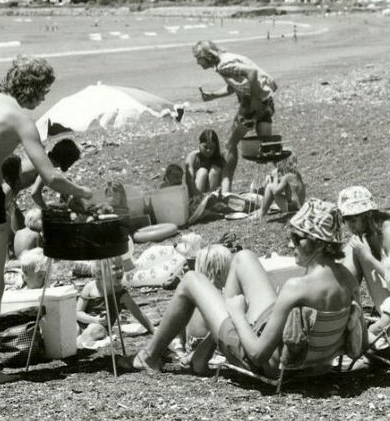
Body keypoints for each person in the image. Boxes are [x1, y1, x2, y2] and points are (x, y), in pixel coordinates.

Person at [0, 55, 92, 387]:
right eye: (42, 93)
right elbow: (50, 176)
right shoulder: (20, 119)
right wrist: (83, 192)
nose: (42, 100)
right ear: (32, 88)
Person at [128, 199, 361, 378]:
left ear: (318, 244)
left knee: (191, 279)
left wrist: (237, 314)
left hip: (273, 365)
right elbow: (354, 341)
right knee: (243, 257)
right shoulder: (347, 280)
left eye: (297, 237)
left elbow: (259, 355)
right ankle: (204, 352)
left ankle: (148, 357)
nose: (290, 243)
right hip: (311, 364)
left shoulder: (297, 288)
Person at [192, 40, 278, 194]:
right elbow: (236, 85)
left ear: (207, 55)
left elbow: (252, 73)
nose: (197, 62)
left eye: (198, 57)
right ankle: (287, 179)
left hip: (252, 105)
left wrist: (252, 101)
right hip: (266, 101)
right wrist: (213, 95)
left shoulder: (223, 65)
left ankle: (226, 190)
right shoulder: (228, 57)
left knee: (230, 145)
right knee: (267, 147)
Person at [76, 256, 155, 346]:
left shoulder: (120, 293)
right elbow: (78, 313)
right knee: (73, 329)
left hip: (100, 327)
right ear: (100, 272)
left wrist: (153, 330)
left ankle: (75, 346)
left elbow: (139, 314)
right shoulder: (90, 287)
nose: (120, 271)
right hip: (83, 322)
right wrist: (94, 319)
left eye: (121, 267)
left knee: (94, 330)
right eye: (115, 268)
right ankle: (71, 346)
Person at [258, 151, 306, 217]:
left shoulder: (287, 177)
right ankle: (262, 208)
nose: (276, 166)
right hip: (299, 206)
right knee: (270, 185)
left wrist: (275, 177)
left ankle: (261, 213)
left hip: (292, 209)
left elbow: (275, 191)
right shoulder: (295, 174)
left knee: (270, 187)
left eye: (277, 163)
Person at [185, 129, 226, 196]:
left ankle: (209, 199)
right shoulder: (192, 157)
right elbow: (189, 180)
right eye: (205, 147)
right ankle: (198, 200)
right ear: (199, 144)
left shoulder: (220, 159)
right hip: (195, 193)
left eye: (211, 148)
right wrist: (198, 194)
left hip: (212, 193)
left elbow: (223, 182)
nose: (208, 150)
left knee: (215, 171)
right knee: (202, 172)